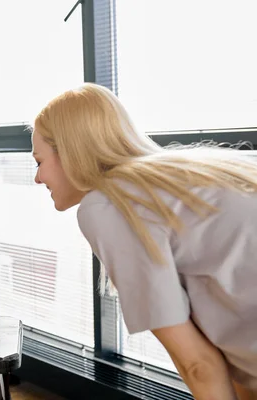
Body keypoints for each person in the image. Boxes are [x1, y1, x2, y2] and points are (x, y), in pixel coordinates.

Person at [31, 83, 257, 400]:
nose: (38, 178)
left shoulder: (108, 205)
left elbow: (199, 366)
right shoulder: (192, 176)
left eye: (38, 161)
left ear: (69, 153)